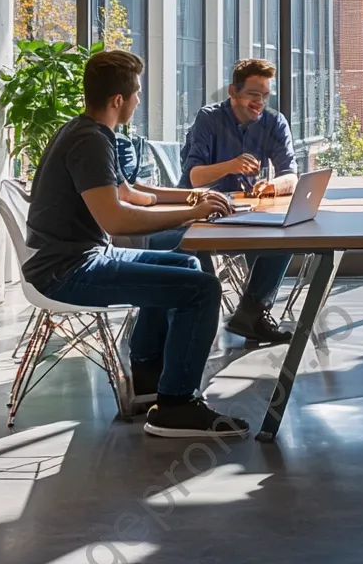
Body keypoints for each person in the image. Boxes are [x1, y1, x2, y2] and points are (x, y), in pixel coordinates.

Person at [24, 50, 249, 439]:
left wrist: (195, 197)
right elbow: (115, 219)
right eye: (137, 93)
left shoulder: (87, 132)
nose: (139, 100)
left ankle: (148, 376)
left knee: (186, 264)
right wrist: (191, 215)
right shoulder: (90, 141)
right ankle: (176, 406)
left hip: (78, 260)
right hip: (68, 271)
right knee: (202, 289)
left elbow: (132, 194)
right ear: (118, 100)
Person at [181, 58, 298, 345]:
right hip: (202, 215)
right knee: (199, 263)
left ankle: (252, 313)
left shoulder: (274, 122)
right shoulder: (208, 119)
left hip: (246, 213)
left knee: (286, 237)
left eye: (264, 96)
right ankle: (200, 327)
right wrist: (230, 165)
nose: (259, 102)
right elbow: (194, 177)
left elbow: (291, 176)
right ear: (233, 92)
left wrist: (274, 184)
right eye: (252, 95)